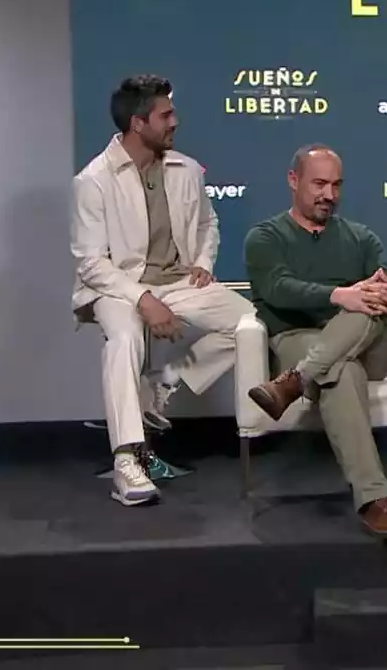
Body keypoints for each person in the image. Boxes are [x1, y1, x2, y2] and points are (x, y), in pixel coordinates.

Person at [71, 74, 255, 506]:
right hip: (116, 288)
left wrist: (204, 264)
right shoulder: (93, 180)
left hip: (178, 282)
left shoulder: (185, 169)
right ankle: (126, 462)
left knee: (251, 324)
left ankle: (163, 386)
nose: (176, 121)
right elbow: (91, 263)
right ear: (138, 123)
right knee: (125, 337)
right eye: (166, 114)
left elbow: (208, 224)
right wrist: (142, 298)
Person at [244, 144, 387, 539]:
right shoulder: (265, 236)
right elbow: (276, 288)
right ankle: (376, 500)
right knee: (339, 371)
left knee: (369, 303)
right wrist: (341, 295)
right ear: (293, 181)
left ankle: (294, 382)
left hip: (366, 343)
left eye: (336, 185)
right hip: (298, 337)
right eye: (319, 184)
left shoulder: (361, 237)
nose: (329, 195)